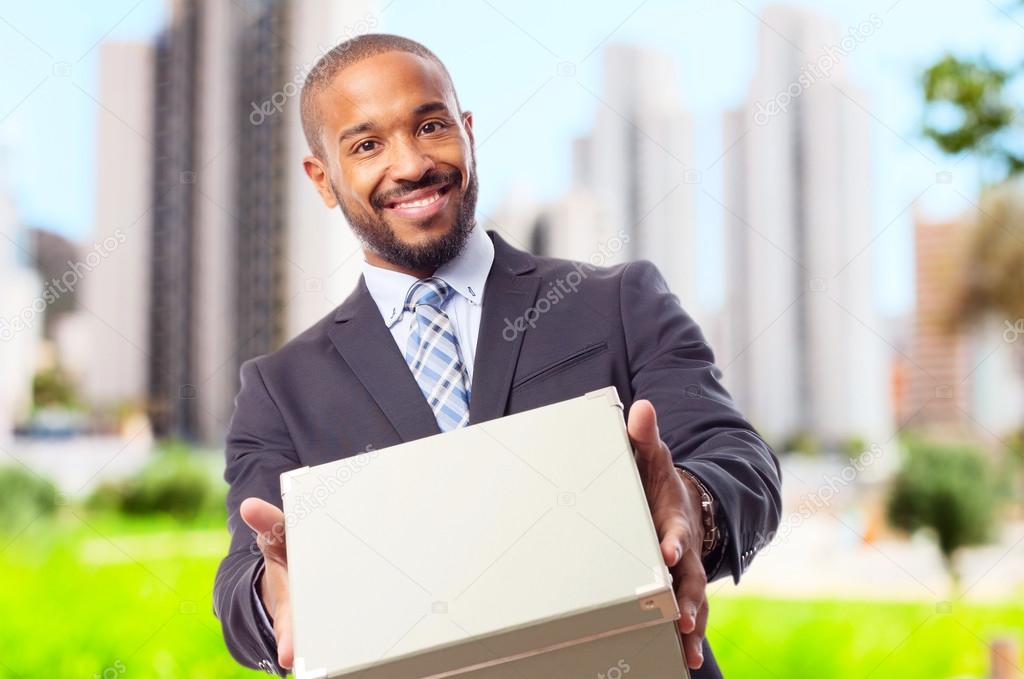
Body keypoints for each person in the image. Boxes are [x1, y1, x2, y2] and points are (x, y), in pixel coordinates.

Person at [213, 33, 782, 679]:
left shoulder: (619, 301)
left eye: (430, 125)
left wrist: (691, 501)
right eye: (367, 144)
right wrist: (274, 595)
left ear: (469, 131)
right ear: (322, 178)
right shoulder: (280, 389)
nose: (410, 165)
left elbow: (743, 463)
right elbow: (241, 580)